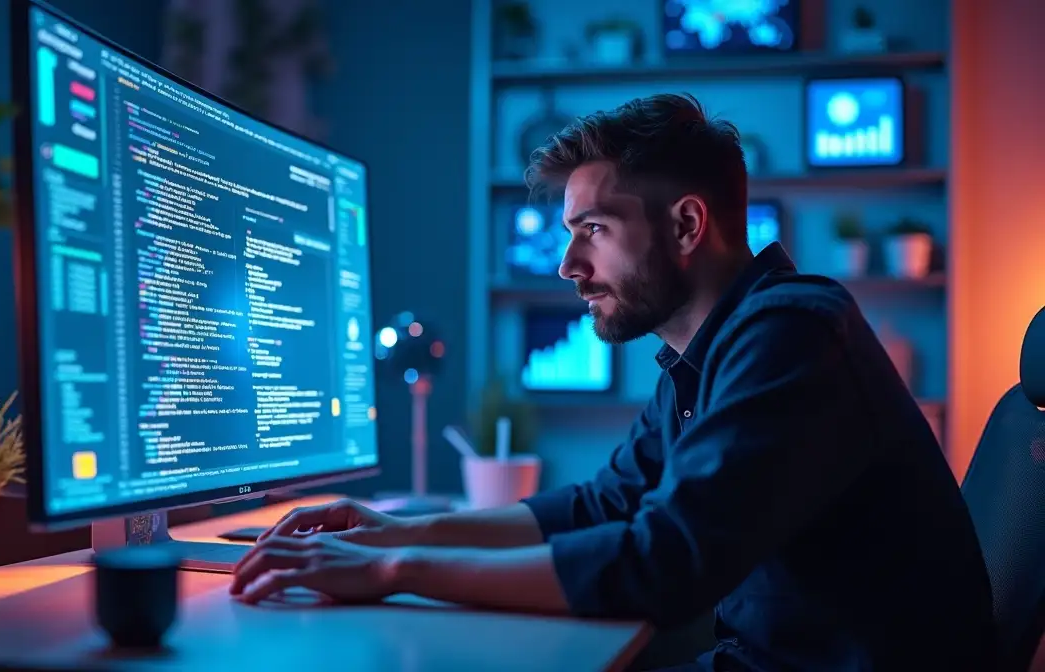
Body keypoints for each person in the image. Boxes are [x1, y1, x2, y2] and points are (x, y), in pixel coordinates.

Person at [230, 94, 995, 671]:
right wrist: (395, 531)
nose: (568, 267)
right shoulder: (707, 358)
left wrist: (393, 570)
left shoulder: (793, 334)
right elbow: (600, 507)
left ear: (687, 226)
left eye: (592, 230)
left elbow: (662, 564)